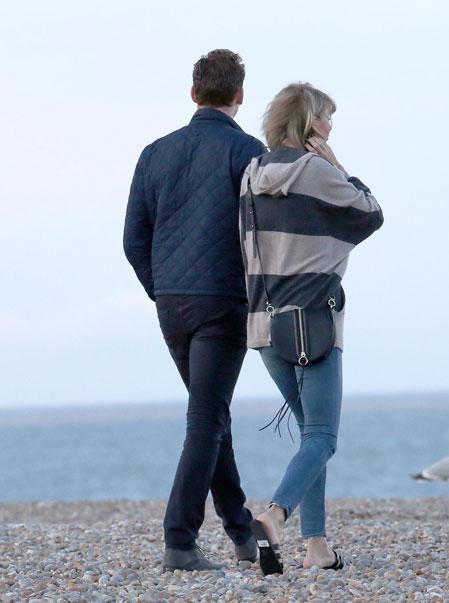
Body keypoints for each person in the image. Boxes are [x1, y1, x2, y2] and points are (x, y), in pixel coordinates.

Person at [123, 49, 266, 571]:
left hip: (171, 305)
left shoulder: (154, 152)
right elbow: (263, 237)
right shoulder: (250, 152)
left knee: (212, 413)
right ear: (240, 95)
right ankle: (179, 540)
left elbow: (133, 239)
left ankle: (241, 530)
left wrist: (161, 290)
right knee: (206, 418)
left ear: (193, 93)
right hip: (222, 304)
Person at [240, 83, 383, 575]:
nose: (330, 127)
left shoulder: (251, 174)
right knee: (323, 436)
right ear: (307, 123)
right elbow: (370, 215)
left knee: (308, 434)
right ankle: (276, 513)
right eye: (325, 118)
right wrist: (339, 164)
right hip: (314, 325)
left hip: (263, 326)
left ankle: (317, 547)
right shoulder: (317, 171)